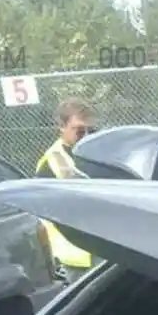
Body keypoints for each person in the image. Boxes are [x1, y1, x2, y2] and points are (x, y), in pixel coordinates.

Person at [35, 98, 97, 281]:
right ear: (62, 127)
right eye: (79, 130)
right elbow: (46, 210)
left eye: (90, 130)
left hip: (99, 249)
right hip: (75, 255)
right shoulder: (52, 161)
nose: (85, 135)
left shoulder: (95, 153)